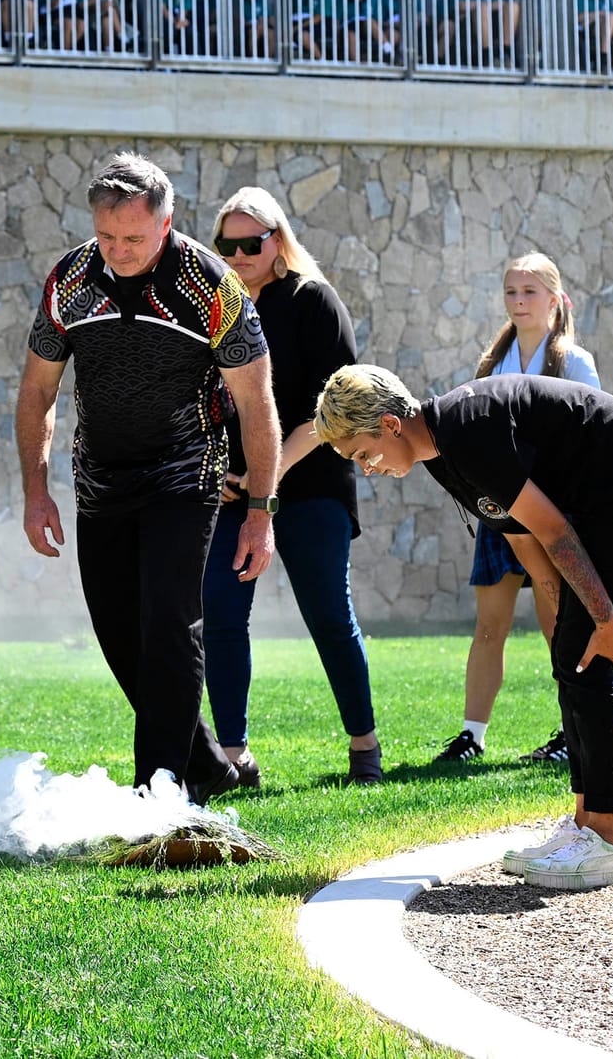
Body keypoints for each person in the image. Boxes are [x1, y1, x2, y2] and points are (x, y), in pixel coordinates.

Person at [315, 366, 613, 890]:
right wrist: (565, 611)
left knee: (588, 659)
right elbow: (519, 533)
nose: (367, 469)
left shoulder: (466, 433)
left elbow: (553, 529)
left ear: (391, 426)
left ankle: (607, 839)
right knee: (571, 656)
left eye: (363, 454)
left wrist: (605, 620)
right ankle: (585, 824)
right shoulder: (438, 450)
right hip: (601, 497)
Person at [16, 154, 280, 803]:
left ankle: (159, 791)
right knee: (120, 636)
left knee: (169, 622)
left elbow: (256, 403)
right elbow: (37, 390)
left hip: (186, 473)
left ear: (165, 224)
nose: (119, 250)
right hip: (100, 481)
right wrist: (34, 490)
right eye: (106, 235)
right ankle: (207, 762)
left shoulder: (212, 287)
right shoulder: (69, 281)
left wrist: (260, 510)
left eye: (133, 237)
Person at [199, 188, 380, 787]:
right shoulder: (217, 308)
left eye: (251, 243)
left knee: (328, 614)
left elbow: (332, 410)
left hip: (312, 484)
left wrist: (266, 475)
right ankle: (233, 757)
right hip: (235, 489)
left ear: (277, 241)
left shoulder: (313, 299)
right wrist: (223, 473)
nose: (238, 255)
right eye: (226, 245)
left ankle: (364, 747)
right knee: (222, 612)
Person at [434, 253, 600, 767]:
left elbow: (589, 438)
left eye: (529, 292)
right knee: (489, 626)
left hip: (552, 515)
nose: (519, 301)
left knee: (557, 624)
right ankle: (471, 736)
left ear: (555, 299)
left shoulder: (575, 361)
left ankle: (572, 733)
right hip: (499, 511)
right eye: (511, 292)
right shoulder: (492, 362)